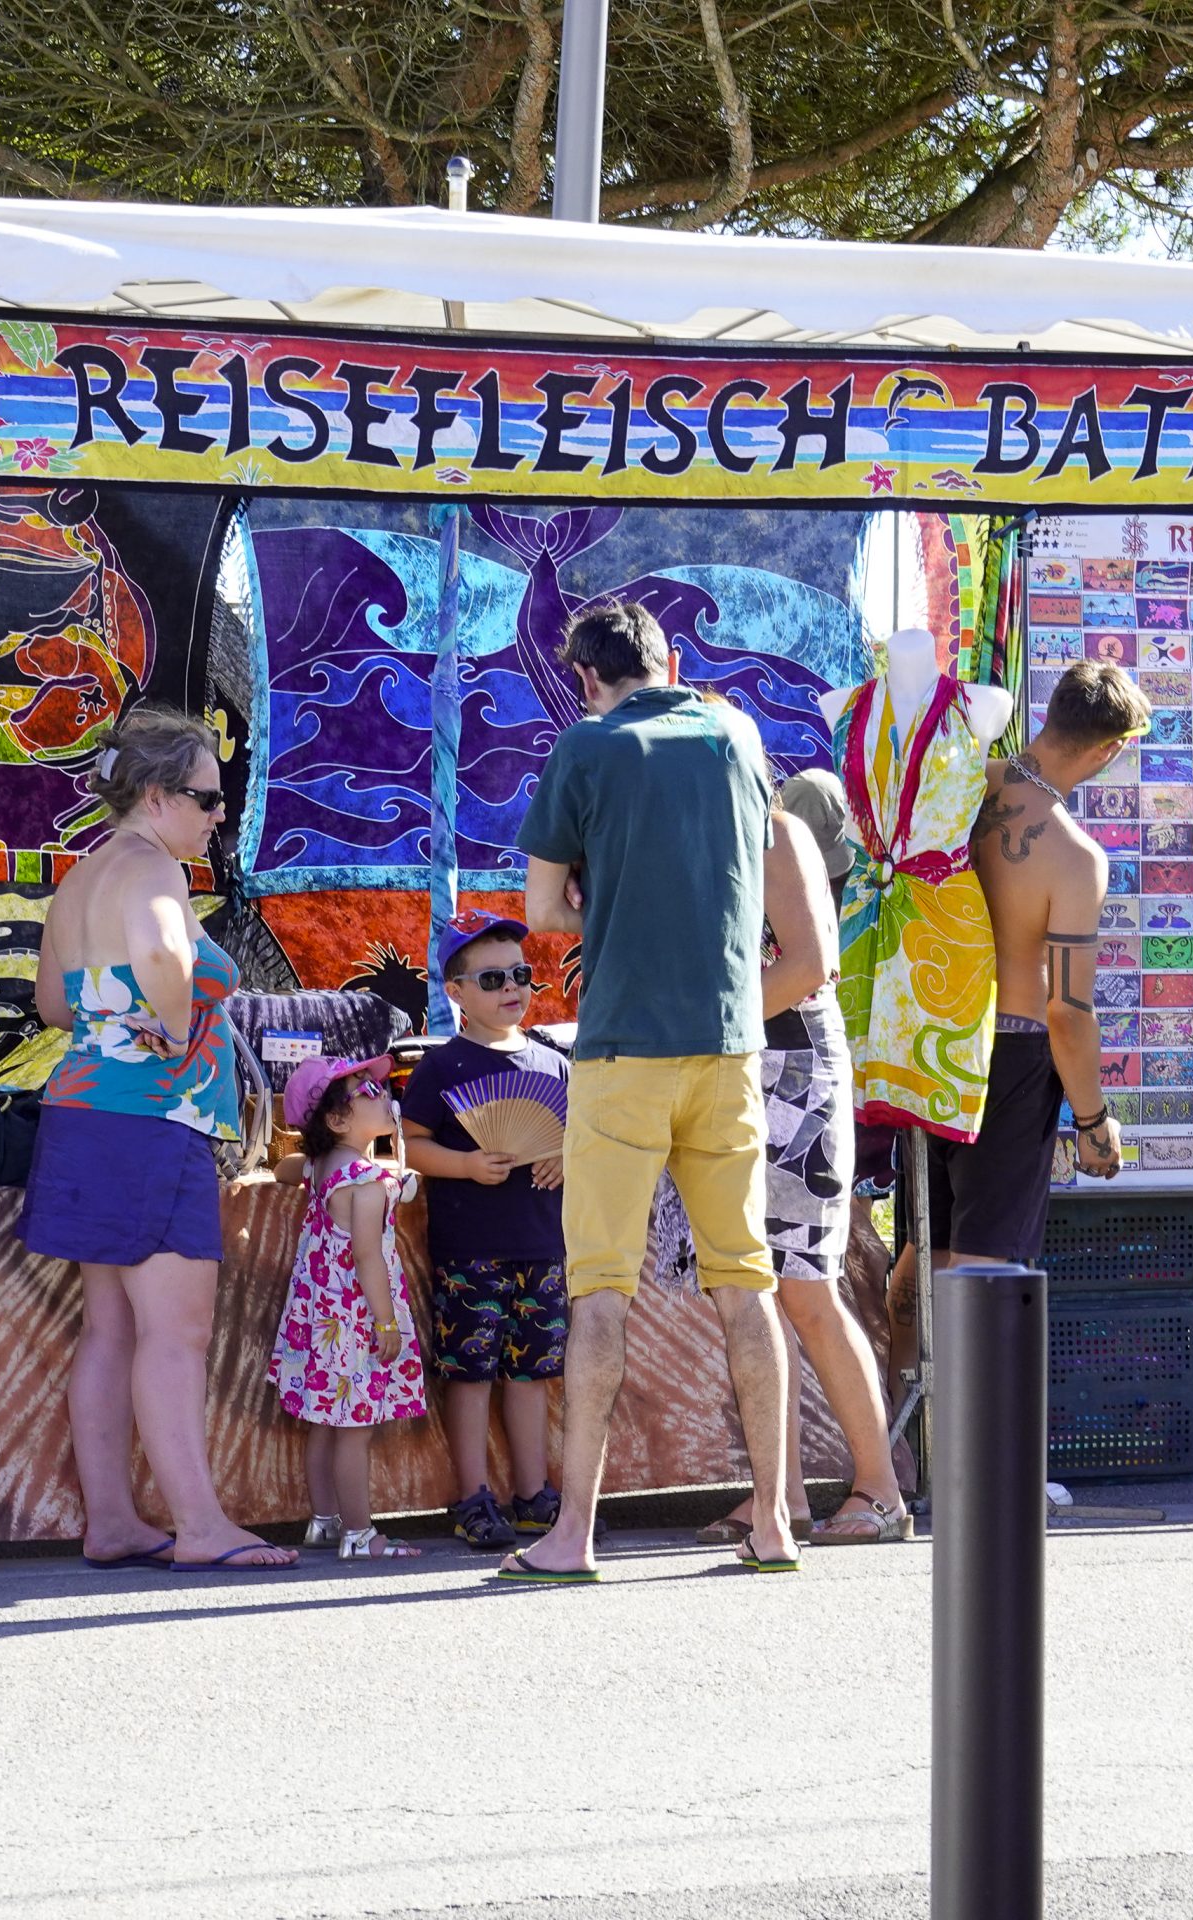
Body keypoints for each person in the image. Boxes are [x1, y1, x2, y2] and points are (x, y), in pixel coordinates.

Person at [504, 600, 796, 1582]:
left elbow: (543, 910)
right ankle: (774, 1523)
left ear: (587, 678)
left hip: (623, 1049)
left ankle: (572, 1536)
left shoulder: (586, 746)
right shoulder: (736, 735)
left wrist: (596, 892)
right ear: (669, 663)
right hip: (728, 1045)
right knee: (745, 1284)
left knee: (600, 1293)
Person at [25, 707, 296, 1573]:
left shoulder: (82, 877)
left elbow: (54, 1006)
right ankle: (201, 1526)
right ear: (155, 796)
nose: (220, 814)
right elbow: (163, 956)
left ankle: (112, 1521)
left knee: (109, 1331)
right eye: (208, 798)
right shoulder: (152, 870)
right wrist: (176, 1030)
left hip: (84, 1115)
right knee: (175, 1335)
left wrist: (124, 1019)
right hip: (152, 1123)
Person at [699, 768, 911, 1547]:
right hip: (740, 1066)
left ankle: (880, 1490)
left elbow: (807, 966)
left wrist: (702, 1022)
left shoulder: (777, 835)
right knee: (751, 1289)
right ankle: (778, 1495)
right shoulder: (711, 840)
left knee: (807, 1292)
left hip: (791, 1068)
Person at [939, 660, 1150, 1264]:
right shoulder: (1074, 857)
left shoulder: (960, 786)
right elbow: (1066, 1013)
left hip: (929, 1036)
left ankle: (901, 1338)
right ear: (1108, 749)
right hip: (1010, 1061)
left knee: (925, 1253)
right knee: (985, 1270)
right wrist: (1093, 1122)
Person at [398, 909, 570, 1550]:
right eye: (493, 978)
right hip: (470, 1254)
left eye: (521, 974)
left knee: (531, 1376)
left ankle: (534, 1496)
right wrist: (466, 1164)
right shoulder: (441, 1067)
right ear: (456, 992)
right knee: (469, 1376)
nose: (512, 988)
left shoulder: (553, 1064)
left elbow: (580, 1137)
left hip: (543, 1249)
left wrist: (566, 1153)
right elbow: (408, 1145)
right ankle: (471, 1497)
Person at [269, 1054, 432, 1561]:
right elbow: (366, 1256)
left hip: (319, 1321)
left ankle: (323, 1521)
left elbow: (284, 1167)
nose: (384, 1094)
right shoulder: (364, 1181)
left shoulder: (323, 1168)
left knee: (324, 1421)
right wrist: (386, 1322)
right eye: (368, 1091)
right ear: (338, 1119)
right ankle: (360, 1535)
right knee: (354, 1431)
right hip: (355, 1321)